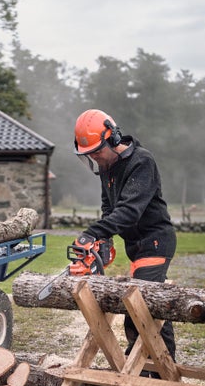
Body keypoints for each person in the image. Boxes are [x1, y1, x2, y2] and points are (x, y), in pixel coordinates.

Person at [72, 108, 177, 362]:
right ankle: (162, 364)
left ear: (114, 139)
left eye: (97, 151)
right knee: (151, 302)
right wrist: (103, 240)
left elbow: (129, 212)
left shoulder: (142, 162)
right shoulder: (107, 166)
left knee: (139, 304)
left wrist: (92, 233)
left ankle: (144, 365)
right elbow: (110, 208)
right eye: (89, 154)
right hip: (136, 245)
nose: (95, 158)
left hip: (155, 241)